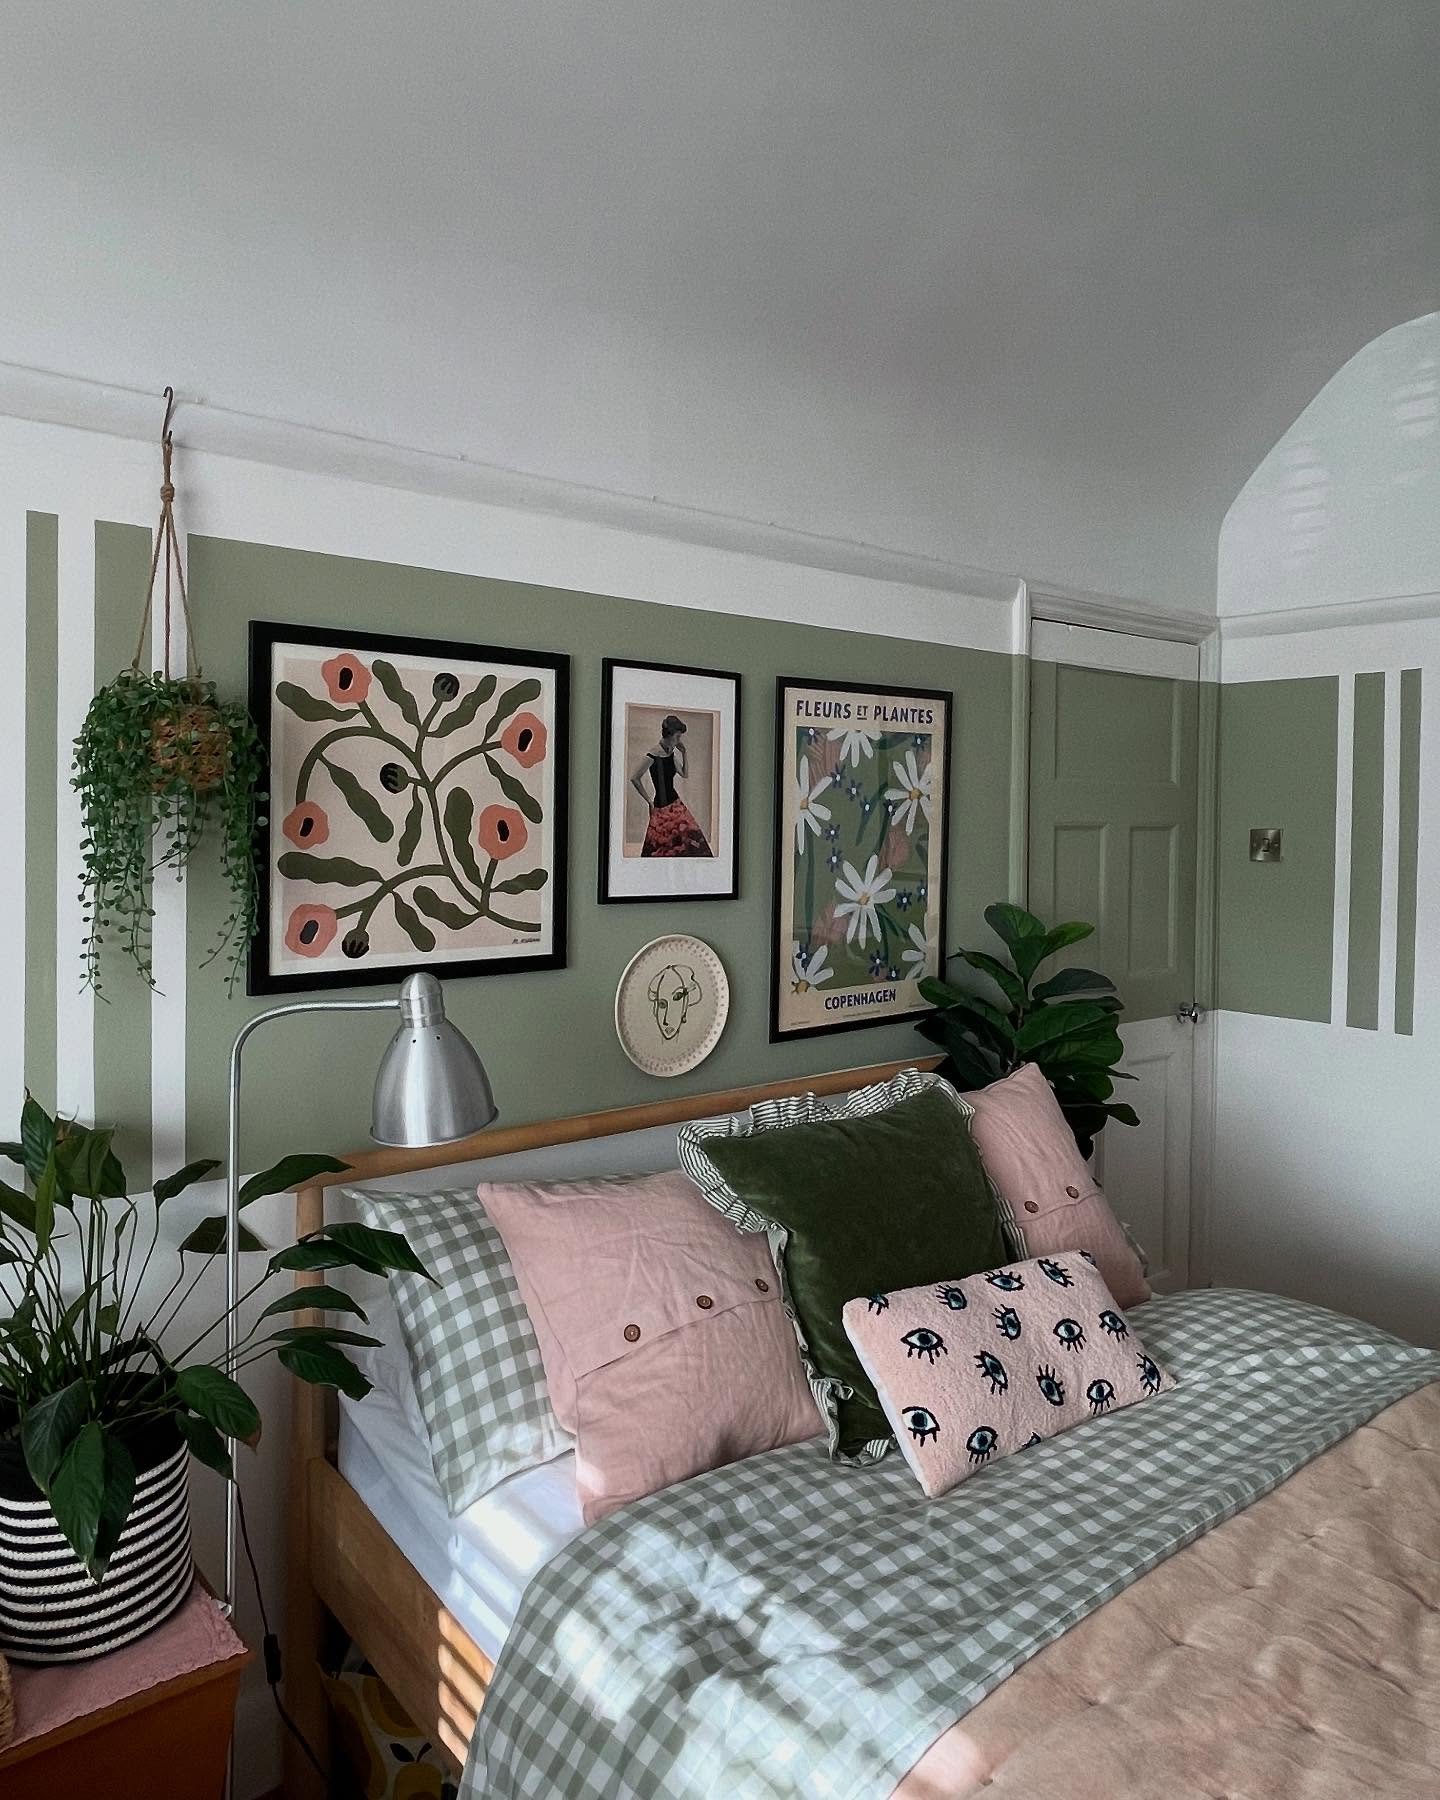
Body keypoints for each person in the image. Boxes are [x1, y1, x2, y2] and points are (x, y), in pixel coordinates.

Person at [630, 715, 713, 857]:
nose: (679, 740)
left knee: (692, 843)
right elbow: (634, 778)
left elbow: (684, 774)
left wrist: (684, 753)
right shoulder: (653, 754)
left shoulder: (671, 754)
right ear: (669, 735)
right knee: (660, 848)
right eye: (678, 737)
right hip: (661, 808)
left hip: (675, 805)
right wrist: (649, 801)